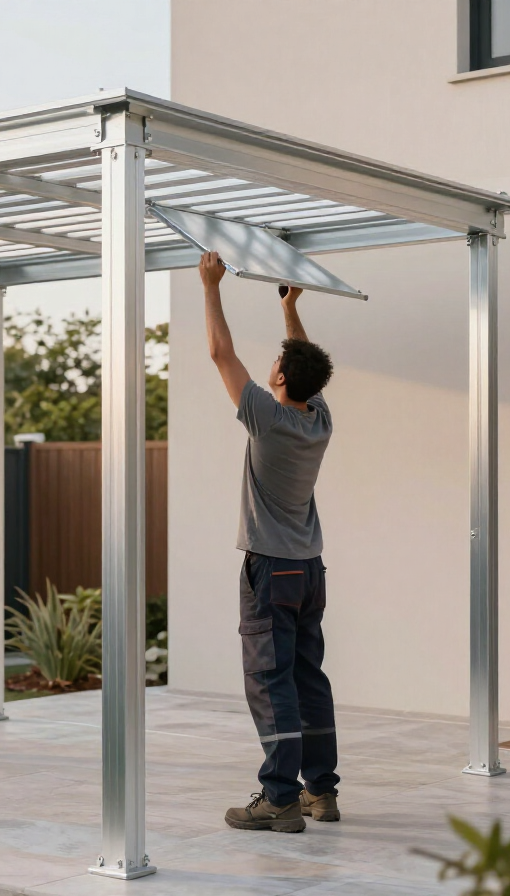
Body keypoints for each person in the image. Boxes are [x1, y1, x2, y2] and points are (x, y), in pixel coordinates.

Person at [196, 252, 339, 833]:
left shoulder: (267, 417)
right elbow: (306, 364)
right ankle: (320, 792)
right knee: (309, 678)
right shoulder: (318, 419)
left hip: (271, 570)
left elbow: (220, 352)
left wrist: (210, 286)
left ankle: (278, 797)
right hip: (309, 570)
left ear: (279, 379)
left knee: (269, 680)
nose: (272, 363)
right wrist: (289, 309)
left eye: (276, 362)